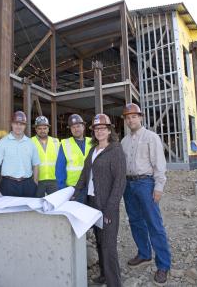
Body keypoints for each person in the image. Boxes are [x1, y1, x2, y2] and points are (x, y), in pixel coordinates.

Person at [121, 103, 171, 285]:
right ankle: (144, 253)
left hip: (146, 183)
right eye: (127, 117)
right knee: (135, 221)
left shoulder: (151, 137)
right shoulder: (124, 142)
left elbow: (159, 163)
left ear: (140, 117)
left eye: (134, 116)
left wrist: (159, 187)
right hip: (129, 185)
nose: (130, 119)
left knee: (154, 224)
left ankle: (164, 265)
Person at [73, 114, 126, 287]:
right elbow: (84, 173)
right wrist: (74, 191)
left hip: (106, 205)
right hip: (93, 202)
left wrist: (110, 209)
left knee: (109, 246)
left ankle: (114, 283)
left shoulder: (116, 150)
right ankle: (104, 275)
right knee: (99, 240)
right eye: (96, 129)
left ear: (109, 130)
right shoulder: (93, 150)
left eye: (103, 128)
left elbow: (120, 182)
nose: (99, 131)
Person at [0, 111, 40, 199]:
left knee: (28, 212)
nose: (18, 126)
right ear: (12, 124)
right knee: (8, 212)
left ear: (25, 126)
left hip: (28, 184)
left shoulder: (31, 144)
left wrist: (35, 183)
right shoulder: (2, 143)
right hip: (8, 185)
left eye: (21, 124)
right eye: (16, 123)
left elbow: (36, 165)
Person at [55, 114, 91, 202]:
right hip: (74, 188)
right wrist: (63, 190)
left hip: (91, 186)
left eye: (78, 126)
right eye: (73, 127)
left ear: (83, 127)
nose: (76, 129)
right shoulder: (65, 144)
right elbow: (60, 169)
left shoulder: (92, 142)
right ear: (70, 129)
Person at [31, 115, 60, 197]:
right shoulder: (30, 142)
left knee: (55, 203)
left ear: (48, 129)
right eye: (39, 128)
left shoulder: (56, 141)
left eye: (44, 128)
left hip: (53, 180)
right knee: (37, 204)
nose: (42, 131)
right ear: (36, 129)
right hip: (37, 180)